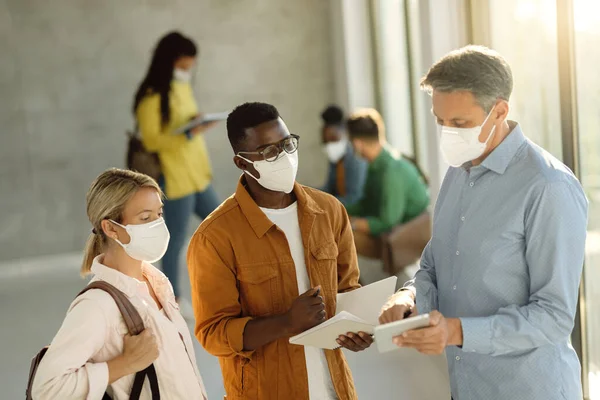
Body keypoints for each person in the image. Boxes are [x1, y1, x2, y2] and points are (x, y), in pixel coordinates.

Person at [379, 46, 588, 400]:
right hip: (465, 386)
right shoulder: (457, 174)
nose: (447, 133)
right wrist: (409, 296)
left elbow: (554, 317)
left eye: (459, 123)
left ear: (500, 110)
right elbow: (434, 263)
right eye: (440, 121)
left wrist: (456, 332)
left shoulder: (548, 187)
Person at [187, 102, 373, 400]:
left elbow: (347, 289)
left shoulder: (329, 211)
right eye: (269, 152)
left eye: (287, 144)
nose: (284, 157)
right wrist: (286, 322)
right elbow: (213, 335)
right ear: (243, 163)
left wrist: (355, 330)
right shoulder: (215, 237)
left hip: (335, 389)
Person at [32, 168, 207, 399]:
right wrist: (124, 364)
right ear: (111, 228)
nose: (157, 225)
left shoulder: (156, 281)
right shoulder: (97, 305)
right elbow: (46, 389)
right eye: (145, 218)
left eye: (159, 214)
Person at [133, 31, 219, 318]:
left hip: (197, 175)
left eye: (190, 65)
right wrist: (189, 133)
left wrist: (195, 126)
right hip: (175, 178)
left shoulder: (181, 89)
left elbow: (185, 126)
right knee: (176, 240)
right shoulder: (150, 98)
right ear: (170, 61)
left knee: (223, 223)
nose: (188, 71)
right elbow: (152, 141)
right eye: (184, 65)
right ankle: (172, 299)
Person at [344, 108, 430, 260]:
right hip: (395, 231)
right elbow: (366, 204)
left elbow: (388, 222)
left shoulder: (392, 171)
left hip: (410, 240)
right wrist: (335, 207)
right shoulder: (377, 164)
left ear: (357, 143)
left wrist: (354, 224)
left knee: (342, 237)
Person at [319, 105, 367, 205]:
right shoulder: (336, 160)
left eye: (333, 139)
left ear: (344, 133)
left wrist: (327, 203)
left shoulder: (356, 159)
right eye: (325, 141)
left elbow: (355, 199)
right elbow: (329, 188)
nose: (329, 145)